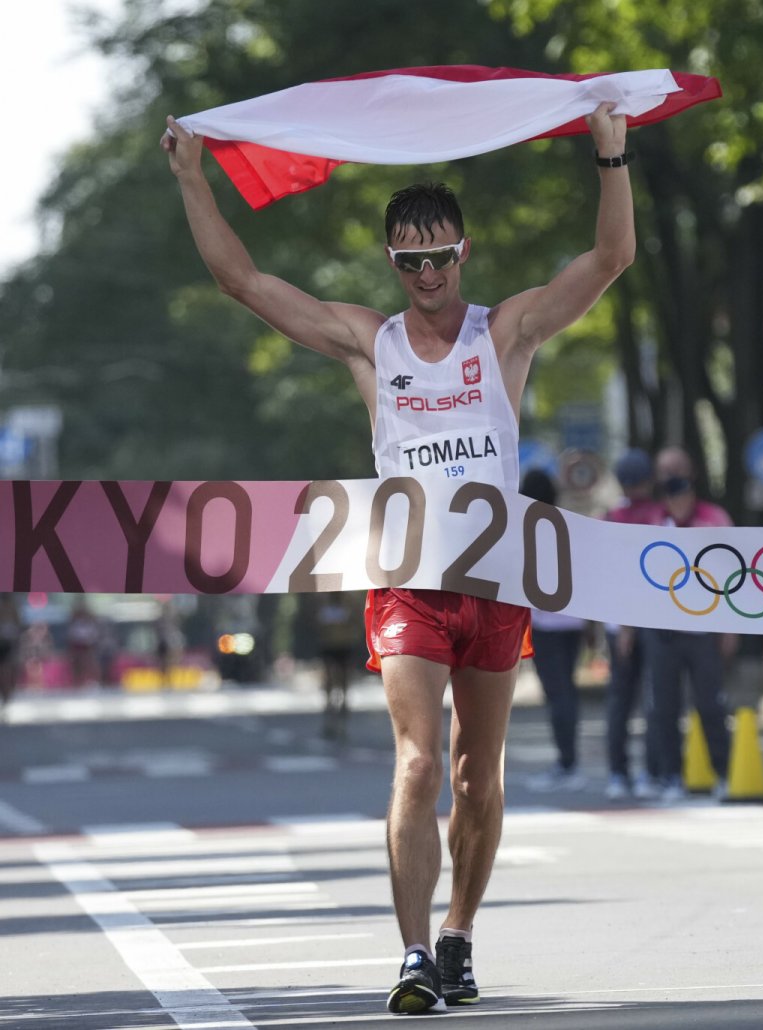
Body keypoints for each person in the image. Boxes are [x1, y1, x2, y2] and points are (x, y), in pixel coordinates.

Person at [163, 100, 634, 1014]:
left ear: (464, 251)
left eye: (440, 257)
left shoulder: (505, 334)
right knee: (419, 762)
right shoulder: (367, 343)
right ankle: (414, 952)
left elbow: (610, 260)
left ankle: (458, 930)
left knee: (477, 776)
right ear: (392, 262)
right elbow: (244, 282)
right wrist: (192, 175)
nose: (426, 275)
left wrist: (609, 156)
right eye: (409, 261)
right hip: (406, 583)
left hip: (494, 583)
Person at [639, 446, 734, 799]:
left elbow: (733, 576)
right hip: (662, 632)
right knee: (663, 708)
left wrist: (730, 628)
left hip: (704, 630)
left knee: (711, 704)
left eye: (677, 470)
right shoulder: (651, 520)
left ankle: (723, 772)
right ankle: (670, 776)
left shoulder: (714, 518)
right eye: (665, 471)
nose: (672, 479)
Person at [518, 468, 589, 790]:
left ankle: (567, 763)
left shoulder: (524, 529)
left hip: (545, 623)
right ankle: (568, 759)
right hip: (573, 621)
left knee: (557, 693)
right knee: (567, 691)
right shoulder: (568, 526)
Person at [602, 448, 663, 799]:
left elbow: (611, 573)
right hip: (649, 618)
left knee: (620, 699)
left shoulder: (611, 518)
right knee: (651, 698)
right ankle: (650, 771)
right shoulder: (658, 515)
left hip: (618, 620)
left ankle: (618, 773)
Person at [315, 591, 366, 742]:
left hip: (345, 645)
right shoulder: (322, 601)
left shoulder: (350, 601)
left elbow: (358, 620)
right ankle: (329, 717)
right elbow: (316, 622)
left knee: (344, 682)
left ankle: (342, 720)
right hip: (328, 646)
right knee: (329, 680)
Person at [0, 595, 20, 720]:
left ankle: (6, 700)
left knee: (6, 672)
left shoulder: (12, 607)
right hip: (6, 642)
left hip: (7, 644)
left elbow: (17, 624)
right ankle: (6, 699)